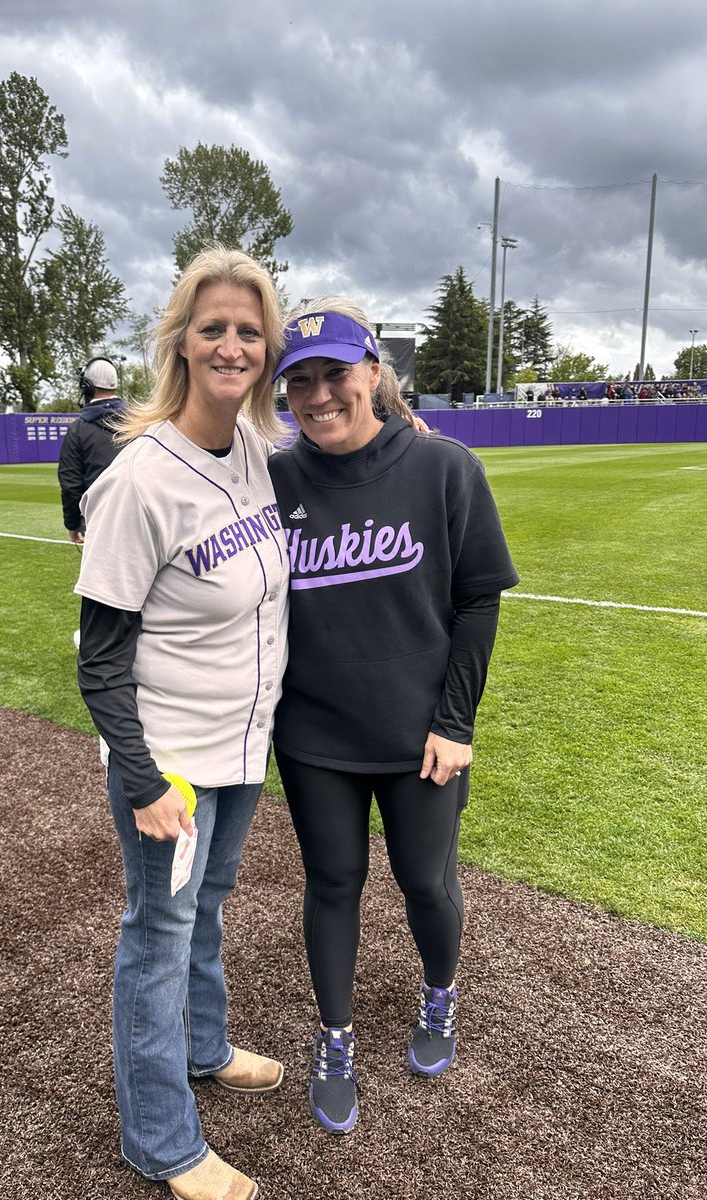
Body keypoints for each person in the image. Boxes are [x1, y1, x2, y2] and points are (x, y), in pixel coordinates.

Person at [267, 298, 519, 1136]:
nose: (318, 394)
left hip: (422, 735)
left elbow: (478, 600)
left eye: (334, 373)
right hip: (314, 738)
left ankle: (440, 996)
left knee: (424, 882)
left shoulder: (445, 468)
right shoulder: (272, 481)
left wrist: (456, 721)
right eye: (298, 381)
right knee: (332, 882)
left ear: (374, 372)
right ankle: (334, 1036)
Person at [74, 247, 289, 1200]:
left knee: (206, 906)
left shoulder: (250, 447)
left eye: (250, 330)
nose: (232, 345)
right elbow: (100, 659)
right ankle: (160, 1140)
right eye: (214, 329)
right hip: (175, 763)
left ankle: (203, 1049)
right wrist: (145, 779)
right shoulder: (138, 478)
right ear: (182, 343)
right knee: (158, 932)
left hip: (243, 745)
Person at [57, 356, 126, 546]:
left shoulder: (78, 429)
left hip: (99, 522)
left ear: (86, 386)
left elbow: (70, 484)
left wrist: (72, 524)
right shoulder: (141, 422)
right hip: (143, 518)